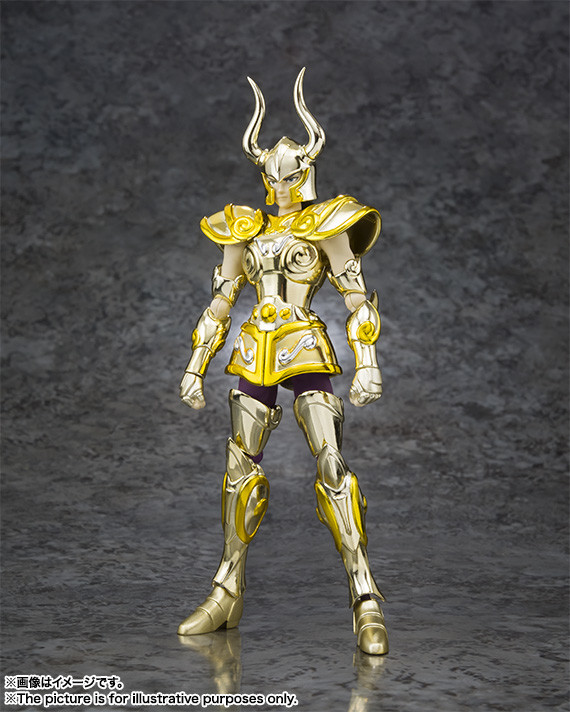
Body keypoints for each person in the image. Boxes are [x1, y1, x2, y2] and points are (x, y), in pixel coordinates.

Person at [177, 68, 388, 655]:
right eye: (272, 176)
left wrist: (368, 363)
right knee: (239, 470)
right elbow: (221, 301)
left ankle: (365, 597)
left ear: (306, 171)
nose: (282, 184)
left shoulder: (327, 223)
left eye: (290, 175)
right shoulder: (243, 227)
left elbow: (356, 299)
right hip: (254, 351)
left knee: (332, 467)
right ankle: (226, 592)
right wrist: (195, 366)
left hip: (304, 346)